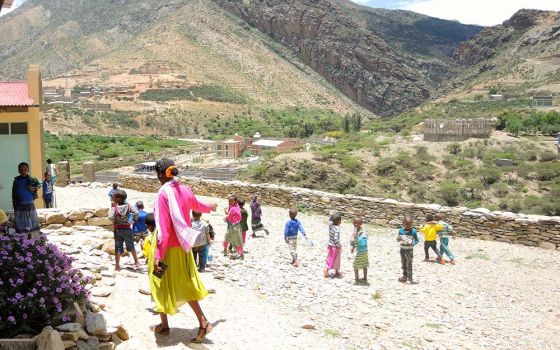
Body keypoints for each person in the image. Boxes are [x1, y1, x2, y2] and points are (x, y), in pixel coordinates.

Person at [150, 158, 217, 342]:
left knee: (160, 282)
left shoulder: (163, 194)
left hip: (166, 250)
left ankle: (200, 322)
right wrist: (210, 208)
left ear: (160, 174)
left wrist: (157, 255)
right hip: (183, 245)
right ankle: (166, 324)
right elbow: (198, 205)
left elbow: (163, 229)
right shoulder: (185, 189)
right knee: (182, 282)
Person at [108, 189, 140, 271]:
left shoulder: (114, 208)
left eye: (114, 197)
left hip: (117, 230)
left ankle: (117, 266)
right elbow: (136, 213)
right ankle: (136, 261)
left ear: (118, 199)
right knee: (131, 245)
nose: (113, 198)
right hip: (127, 229)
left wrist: (114, 220)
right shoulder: (129, 206)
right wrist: (133, 220)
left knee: (118, 247)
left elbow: (110, 217)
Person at [12, 162, 40, 235]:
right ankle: (21, 237)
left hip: (30, 204)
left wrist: (34, 188)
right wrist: (14, 203)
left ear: (28, 170)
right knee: (21, 221)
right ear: (18, 171)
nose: (23, 171)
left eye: (25, 169)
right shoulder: (16, 180)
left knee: (31, 220)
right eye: (21, 170)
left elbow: (38, 185)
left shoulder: (31, 179)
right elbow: (14, 192)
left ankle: (30, 236)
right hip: (20, 204)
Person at [397, 215, 419, 284]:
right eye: (406, 224)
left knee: (409, 264)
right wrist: (399, 238)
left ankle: (410, 278)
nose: (407, 226)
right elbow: (397, 239)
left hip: (409, 251)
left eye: (409, 225)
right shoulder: (401, 231)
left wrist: (413, 243)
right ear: (403, 223)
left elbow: (417, 240)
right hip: (402, 250)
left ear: (411, 224)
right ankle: (404, 276)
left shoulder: (414, 232)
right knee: (403, 263)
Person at [223, 195, 244, 259]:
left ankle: (240, 254)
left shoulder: (232, 208)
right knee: (230, 238)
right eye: (229, 201)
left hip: (233, 226)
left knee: (233, 240)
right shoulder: (236, 206)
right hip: (237, 225)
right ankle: (225, 251)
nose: (229, 202)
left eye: (231, 201)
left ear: (235, 201)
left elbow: (228, 218)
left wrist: (225, 218)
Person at [350, 218, 368, 284]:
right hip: (363, 250)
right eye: (355, 223)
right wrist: (353, 247)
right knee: (364, 264)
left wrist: (355, 238)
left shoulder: (361, 232)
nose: (356, 224)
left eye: (357, 223)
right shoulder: (356, 230)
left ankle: (357, 279)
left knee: (355, 265)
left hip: (361, 251)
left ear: (361, 224)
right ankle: (365, 278)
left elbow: (359, 240)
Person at [324, 212, 342, 278]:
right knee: (336, 259)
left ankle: (327, 269)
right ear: (339, 221)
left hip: (330, 246)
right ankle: (336, 271)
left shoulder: (330, 225)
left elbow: (329, 220)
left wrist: (331, 215)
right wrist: (339, 245)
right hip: (335, 247)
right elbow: (336, 238)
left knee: (330, 258)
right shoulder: (337, 229)